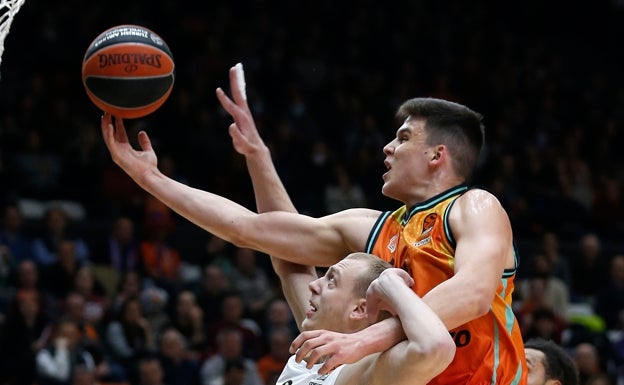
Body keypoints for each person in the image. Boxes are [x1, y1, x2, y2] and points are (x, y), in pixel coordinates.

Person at [99, 63, 527, 383]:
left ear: (438, 155)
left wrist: (363, 340)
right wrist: (153, 178)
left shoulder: (474, 207)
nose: (387, 148)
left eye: (403, 137)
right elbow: (251, 230)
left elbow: (472, 293)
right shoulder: (372, 229)